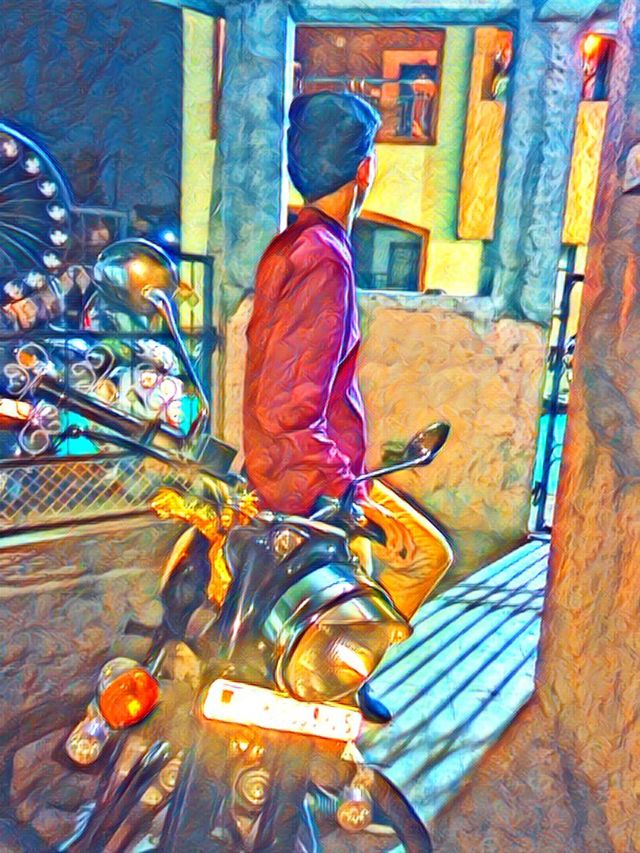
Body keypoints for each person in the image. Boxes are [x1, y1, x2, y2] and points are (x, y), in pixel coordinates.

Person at [243, 92, 453, 721]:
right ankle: (342, 671)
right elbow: (288, 406)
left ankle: (341, 667)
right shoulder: (325, 260)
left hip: (283, 466)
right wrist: (345, 489)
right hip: (311, 481)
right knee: (426, 554)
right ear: (364, 170)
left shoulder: (290, 245)